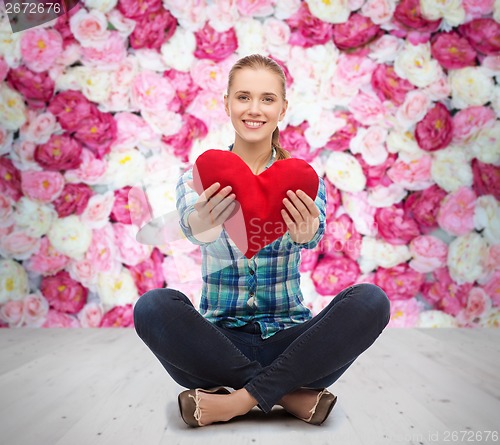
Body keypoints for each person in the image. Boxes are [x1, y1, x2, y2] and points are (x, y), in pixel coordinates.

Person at [133, 54, 391, 428]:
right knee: (152, 306)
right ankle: (286, 395)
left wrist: (306, 233)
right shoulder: (197, 176)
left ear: (283, 108)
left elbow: (313, 232)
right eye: (243, 97)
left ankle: (235, 401)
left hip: (295, 346)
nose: (254, 109)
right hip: (217, 348)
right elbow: (193, 227)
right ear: (226, 103)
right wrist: (204, 220)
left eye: (267, 99)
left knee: (371, 300)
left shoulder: (302, 178)